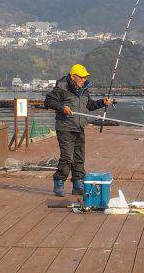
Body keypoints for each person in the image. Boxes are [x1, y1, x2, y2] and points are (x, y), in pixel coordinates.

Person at [44, 64, 113, 196]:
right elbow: (48, 101)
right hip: (65, 127)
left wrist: (102, 102)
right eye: (81, 78)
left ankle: (78, 184)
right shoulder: (61, 88)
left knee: (79, 158)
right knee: (67, 157)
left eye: (84, 77)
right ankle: (59, 181)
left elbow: (90, 105)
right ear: (72, 76)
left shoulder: (84, 89)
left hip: (79, 127)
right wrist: (62, 107)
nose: (83, 80)